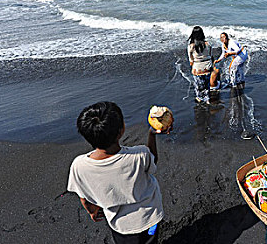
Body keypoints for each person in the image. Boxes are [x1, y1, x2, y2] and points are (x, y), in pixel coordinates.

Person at [67, 102, 170, 244]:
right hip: (149, 217)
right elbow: (152, 160)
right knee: (151, 239)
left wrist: (92, 211)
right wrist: (151, 134)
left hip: (121, 225)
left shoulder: (78, 166)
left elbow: (84, 198)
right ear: (122, 130)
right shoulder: (139, 155)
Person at [187, 26, 213, 104]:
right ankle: (207, 97)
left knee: (199, 85)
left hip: (197, 68)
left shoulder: (191, 46)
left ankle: (200, 97)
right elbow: (210, 55)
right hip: (208, 66)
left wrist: (192, 63)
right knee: (207, 84)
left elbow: (191, 60)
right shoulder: (208, 44)